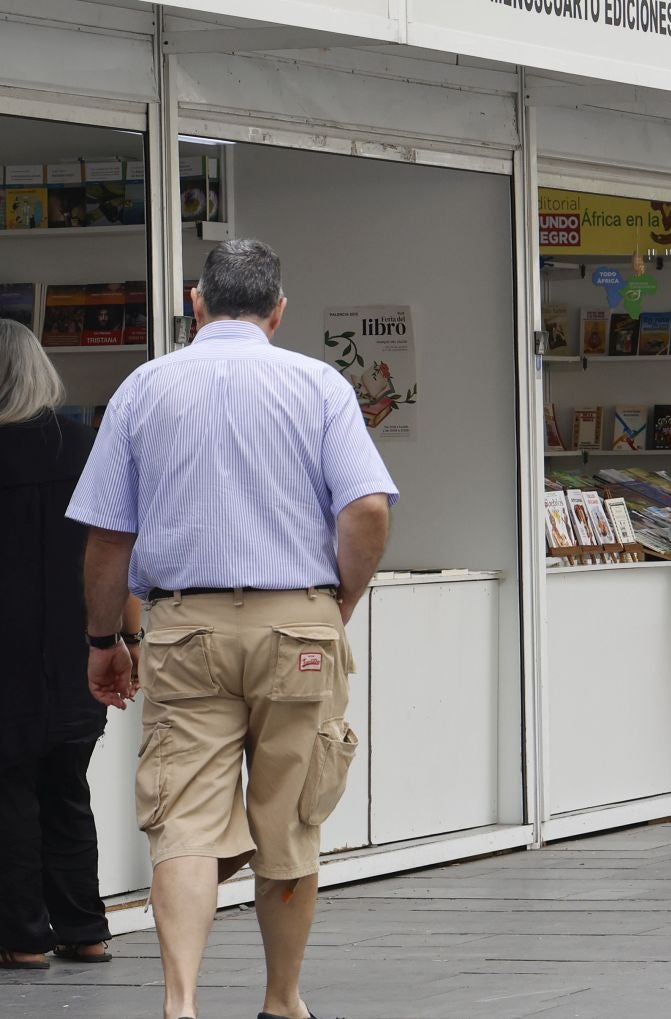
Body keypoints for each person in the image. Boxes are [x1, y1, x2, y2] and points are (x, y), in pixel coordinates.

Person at [67, 239, 397, 1019]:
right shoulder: (318, 385)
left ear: (196, 301)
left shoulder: (144, 388)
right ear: (278, 310)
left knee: (182, 819)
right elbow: (369, 509)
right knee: (292, 815)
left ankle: (180, 1005)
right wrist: (339, 598)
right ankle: (282, 1000)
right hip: (300, 624)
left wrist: (103, 641)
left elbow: (109, 539)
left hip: (184, 628)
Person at [0, 323, 137, 971]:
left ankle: (24, 935)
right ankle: (85, 928)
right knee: (67, 789)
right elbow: (122, 547)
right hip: (77, 648)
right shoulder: (87, 445)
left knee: (10, 793)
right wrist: (127, 636)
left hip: (7, 656)